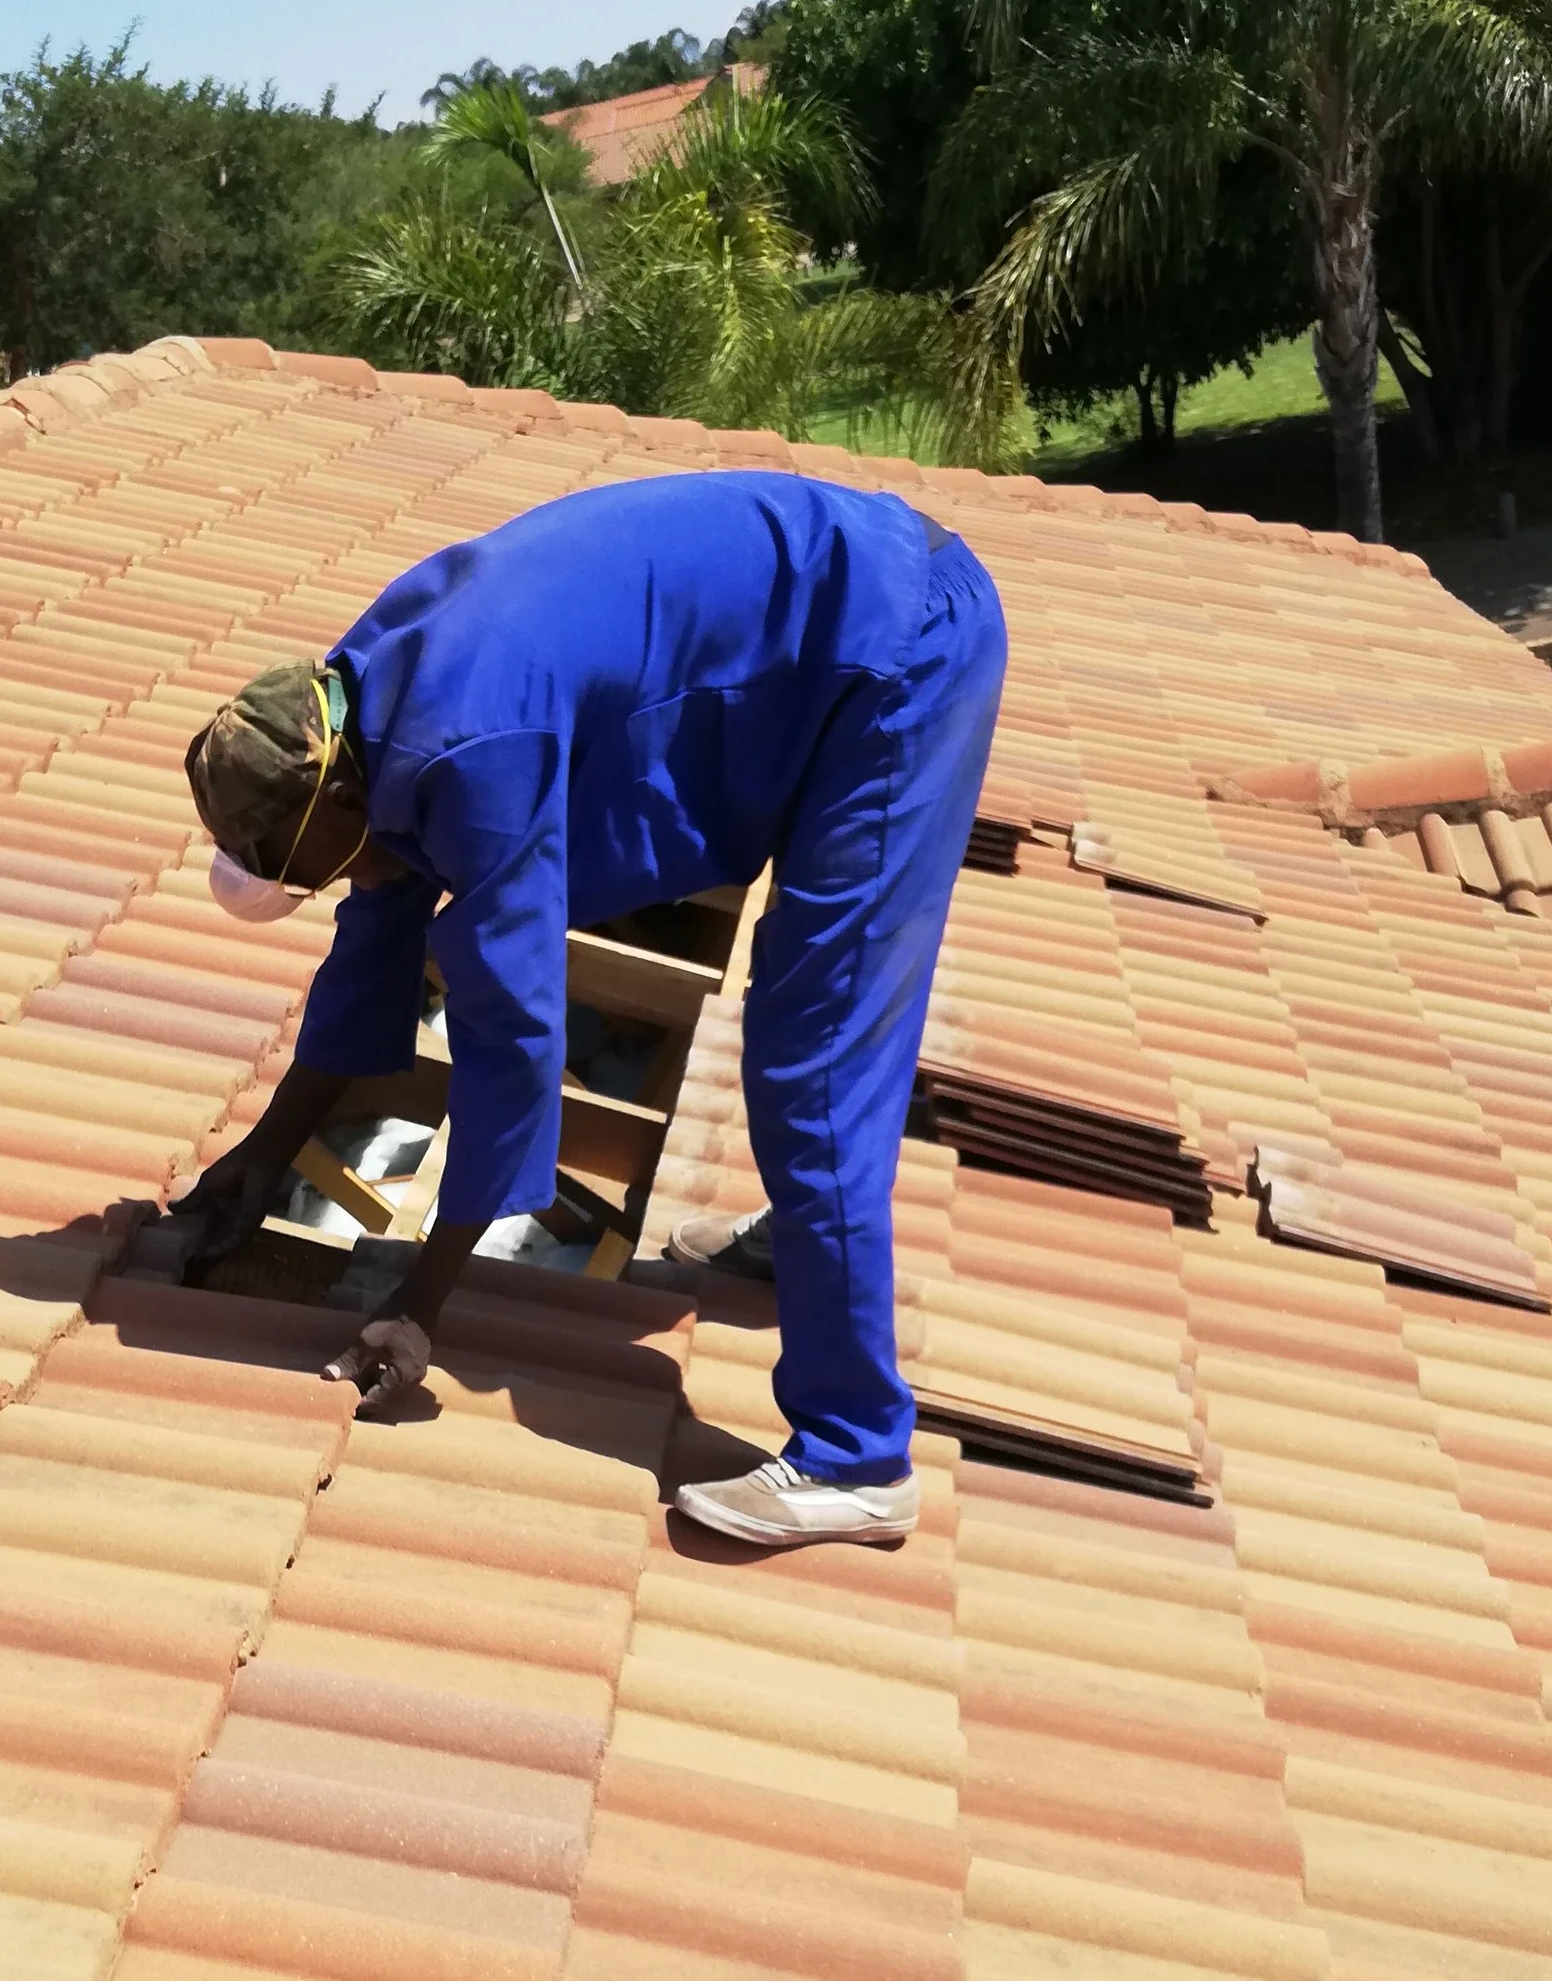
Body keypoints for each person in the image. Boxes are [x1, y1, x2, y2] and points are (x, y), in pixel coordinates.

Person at [172, 469, 1005, 1548]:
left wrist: (420, 1305)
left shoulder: (474, 753)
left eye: (311, 870)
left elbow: (513, 1034)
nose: (331, 885)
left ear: (335, 798)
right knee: (801, 1043)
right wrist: (262, 1154)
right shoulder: (347, 708)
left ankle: (856, 1454)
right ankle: (801, 1241)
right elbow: (373, 943)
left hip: (895, 647)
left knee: (816, 1045)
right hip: (816, 628)